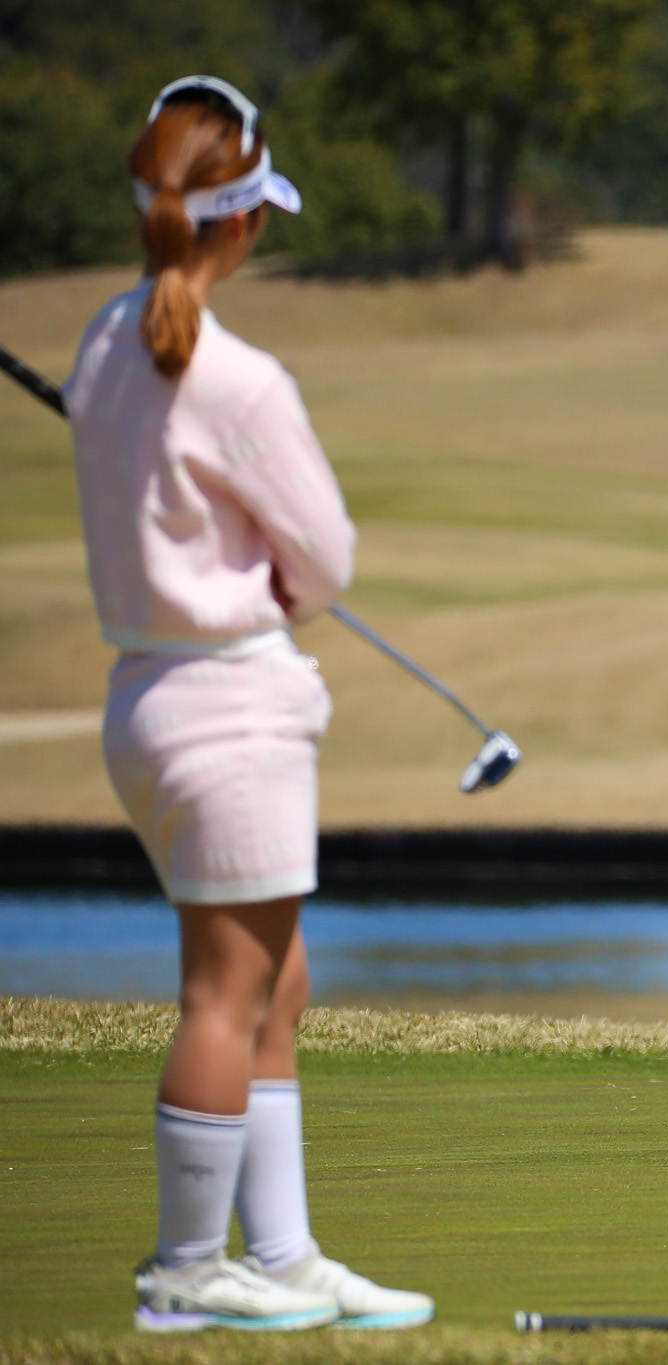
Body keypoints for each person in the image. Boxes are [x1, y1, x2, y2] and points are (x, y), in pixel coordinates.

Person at [66, 75, 433, 1332]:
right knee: (226, 995)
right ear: (240, 221)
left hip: (146, 702)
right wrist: (282, 573)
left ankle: (279, 1256)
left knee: (274, 986)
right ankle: (185, 1270)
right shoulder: (240, 379)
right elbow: (324, 559)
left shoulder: (105, 344)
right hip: (230, 712)